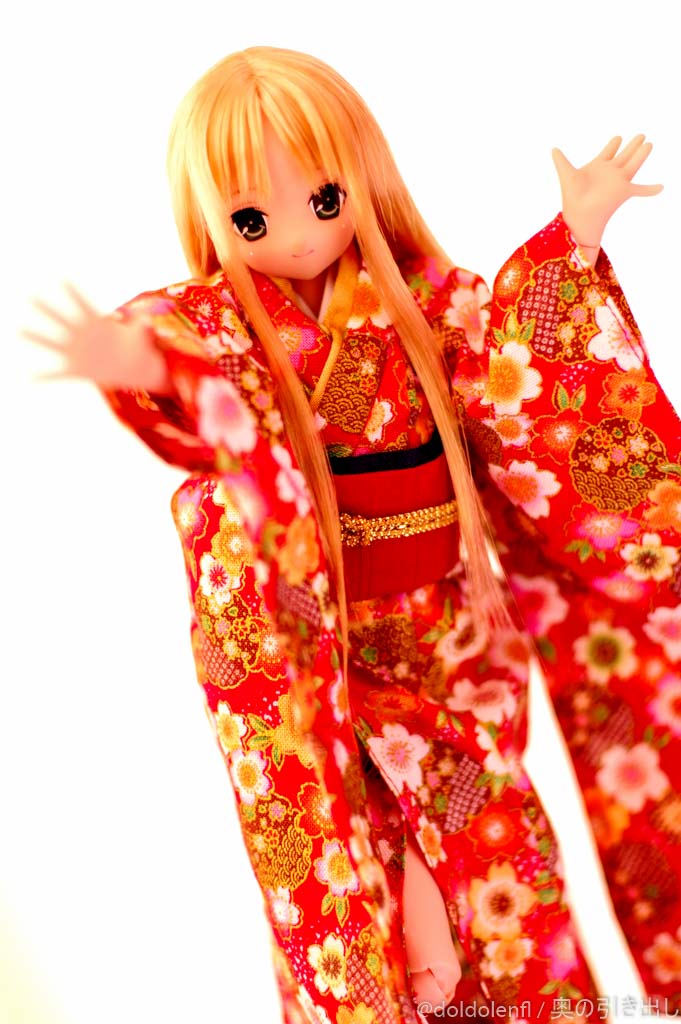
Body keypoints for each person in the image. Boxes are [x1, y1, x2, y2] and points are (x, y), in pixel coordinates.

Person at [28, 46, 680, 1023]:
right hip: (318, 644)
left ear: (360, 178)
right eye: (254, 218)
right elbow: (189, 363)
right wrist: (142, 363)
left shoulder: (422, 302)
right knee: (350, 863)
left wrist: (572, 238)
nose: (297, 235)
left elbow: (517, 373)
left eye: (323, 198)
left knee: (498, 852)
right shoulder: (224, 325)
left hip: (447, 636)